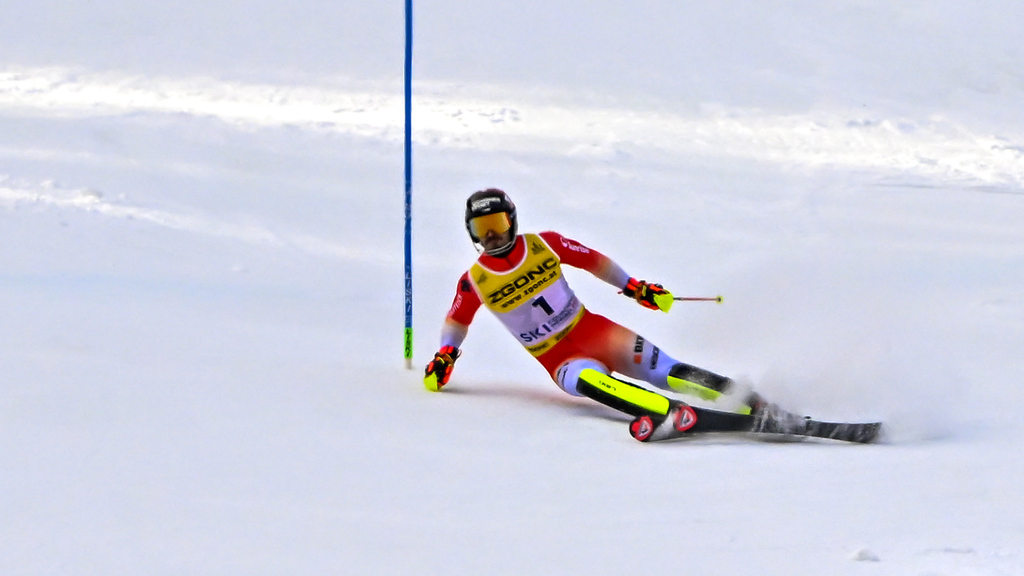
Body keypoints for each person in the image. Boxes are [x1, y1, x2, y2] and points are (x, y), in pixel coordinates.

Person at [423, 188, 763, 428]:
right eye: (483, 230)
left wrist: (633, 287)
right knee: (589, 381)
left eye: (498, 224)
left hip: (594, 330)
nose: (493, 236)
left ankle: (752, 400)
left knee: (666, 370)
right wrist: (446, 355)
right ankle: (671, 413)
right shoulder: (475, 280)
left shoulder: (545, 244)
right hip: (558, 359)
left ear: (512, 220)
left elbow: (593, 261)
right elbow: (458, 320)